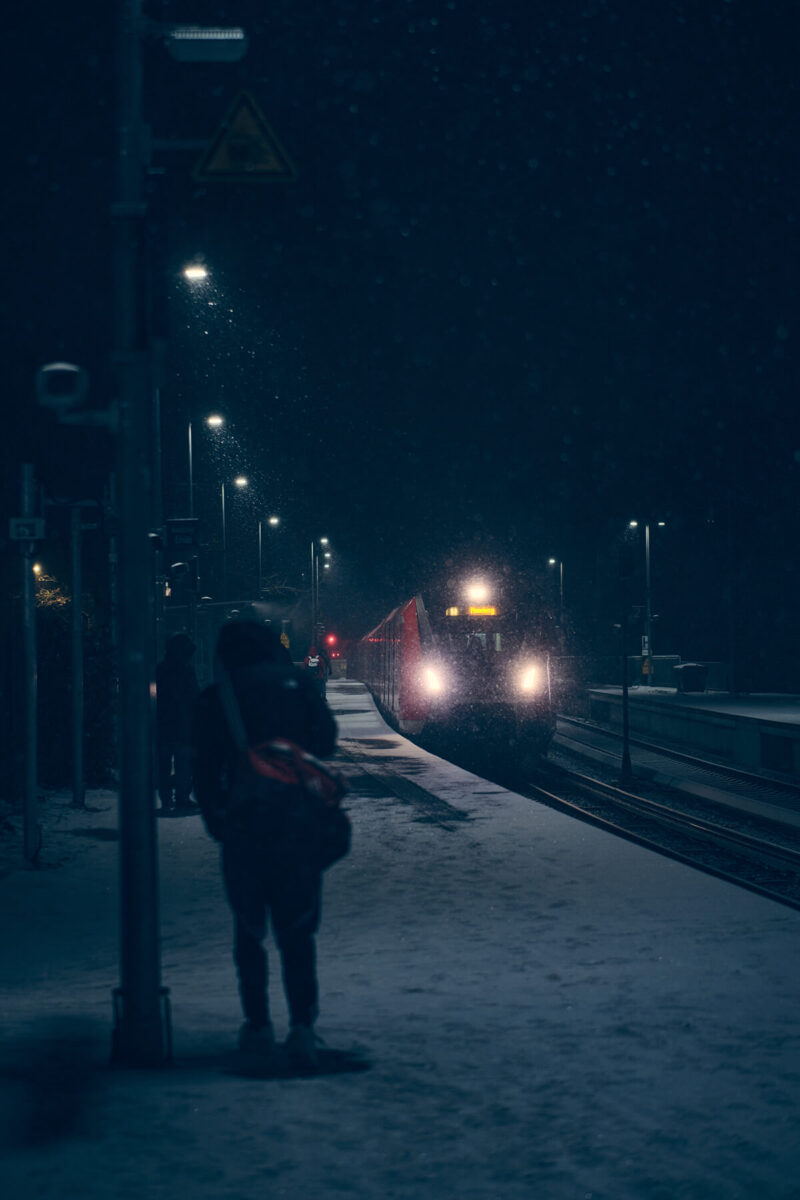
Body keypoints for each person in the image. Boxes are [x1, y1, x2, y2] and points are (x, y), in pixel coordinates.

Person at [193, 620, 337, 1070]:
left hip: (245, 827)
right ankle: (302, 1028)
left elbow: (203, 767)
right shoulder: (300, 684)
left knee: (249, 931)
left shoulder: (220, 695)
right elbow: (326, 742)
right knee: (297, 930)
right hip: (299, 825)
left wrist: (218, 819)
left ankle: (257, 1025)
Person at [156, 633, 199, 812]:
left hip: (162, 724)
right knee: (183, 765)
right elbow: (193, 697)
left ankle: (166, 800)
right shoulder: (187, 671)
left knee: (163, 765)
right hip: (183, 724)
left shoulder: (160, 670)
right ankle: (182, 798)